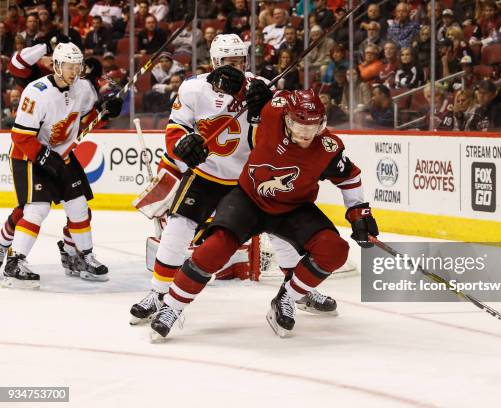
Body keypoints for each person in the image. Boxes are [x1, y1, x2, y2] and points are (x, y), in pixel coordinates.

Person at [129, 34, 338, 326]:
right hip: (206, 174)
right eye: (229, 61)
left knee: (279, 233)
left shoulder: (261, 87)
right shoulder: (193, 89)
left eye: (240, 61)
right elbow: (176, 128)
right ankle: (158, 292)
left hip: (250, 178)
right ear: (215, 61)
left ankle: (298, 292)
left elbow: (281, 129)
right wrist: (184, 144)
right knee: (177, 227)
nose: (235, 66)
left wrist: (264, 109)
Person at [149, 88, 379, 339]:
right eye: (299, 124)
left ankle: (287, 298)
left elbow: (349, 176)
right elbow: (268, 92)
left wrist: (359, 213)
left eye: (312, 126)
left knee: (335, 250)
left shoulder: (328, 147)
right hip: (248, 200)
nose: (305, 133)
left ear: (322, 124)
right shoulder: (271, 113)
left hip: (293, 208)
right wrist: (264, 93)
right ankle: (171, 307)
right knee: (213, 249)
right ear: (287, 118)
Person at [2, 43, 122, 289]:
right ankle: (15, 262)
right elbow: (21, 136)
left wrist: (104, 112)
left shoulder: (84, 89)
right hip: (29, 156)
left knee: (79, 206)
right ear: (56, 65)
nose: (74, 71)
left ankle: (83, 257)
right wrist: (44, 158)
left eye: (77, 66)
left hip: (62, 155)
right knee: (37, 209)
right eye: (69, 66)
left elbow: (83, 122)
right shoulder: (36, 92)